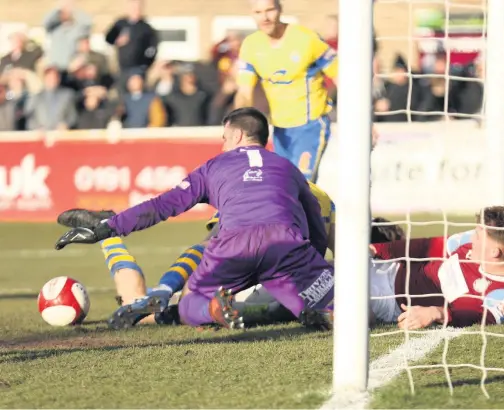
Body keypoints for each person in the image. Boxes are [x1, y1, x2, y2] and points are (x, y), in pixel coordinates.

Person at [55, 107, 335, 331]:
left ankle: (211, 309)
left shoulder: (212, 167)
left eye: (224, 138)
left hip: (233, 245)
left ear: (237, 136)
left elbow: (163, 205)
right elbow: (315, 220)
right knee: (335, 304)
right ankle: (322, 311)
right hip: (285, 246)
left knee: (191, 302)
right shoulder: (287, 167)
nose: (222, 144)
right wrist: (314, 266)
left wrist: (109, 226)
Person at [55, 180, 337, 328]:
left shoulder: (249, 193)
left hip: (256, 280)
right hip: (276, 282)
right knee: (280, 306)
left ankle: (111, 236)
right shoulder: (318, 197)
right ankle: (179, 306)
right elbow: (345, 249)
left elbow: (204, 248)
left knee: (143, 302)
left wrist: (167, 289)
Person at [368, 206, 504, 329]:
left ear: (494, 252)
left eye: (478, 236)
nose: (472, 237)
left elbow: (482, 318)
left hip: (391, 301)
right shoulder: (469, 242)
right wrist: (379, 249)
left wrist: (435, 313)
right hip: (393, 268)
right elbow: (427, 246)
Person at [234, 0, 338, 183]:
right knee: (283, 186)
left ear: (280, 9)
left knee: (300, 184)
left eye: (270, 10)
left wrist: (363, 119)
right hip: (280, 129)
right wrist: (238, 125)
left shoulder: (306, 39)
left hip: (311, 124)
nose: (265, 17)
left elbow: (343, 77)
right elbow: (244, 92)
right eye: (258, 12)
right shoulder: (251, 46)